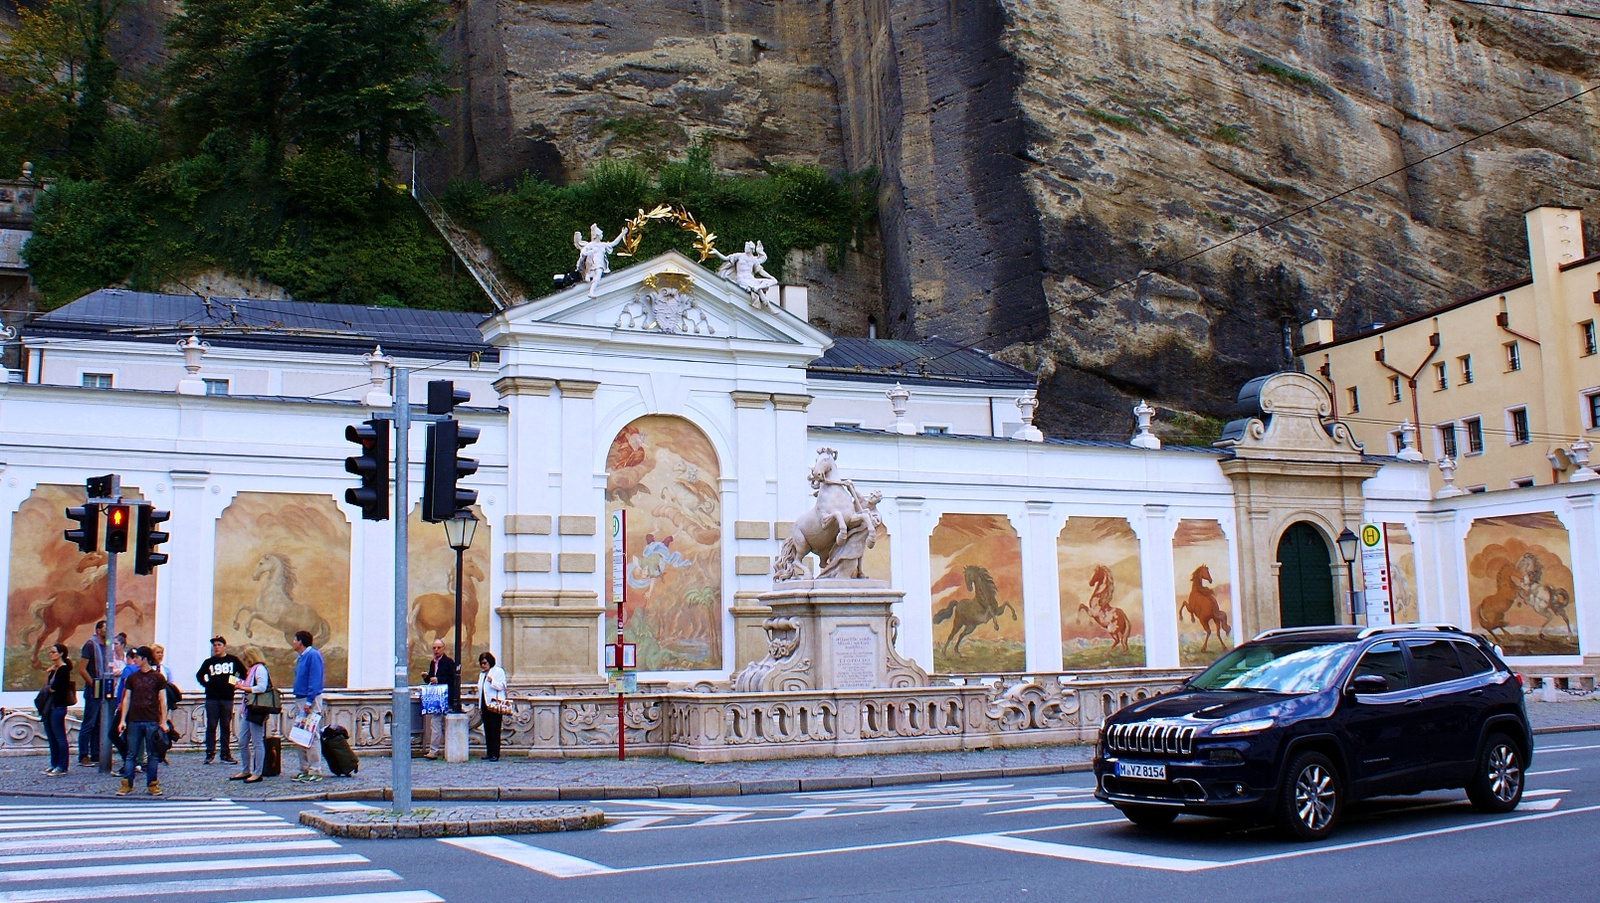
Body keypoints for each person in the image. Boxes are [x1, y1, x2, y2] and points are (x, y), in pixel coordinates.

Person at [116, 647, 167, 796]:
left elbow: (162, 700)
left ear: (144, 659)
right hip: (134, 720)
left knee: (152, 754)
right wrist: (122, 720)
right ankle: (127, 784)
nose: (135, 660)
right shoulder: (132, 677)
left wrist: (163, 721)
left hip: (152, 720)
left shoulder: (158, 677)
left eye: (137, 657)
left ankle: (152, 784)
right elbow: (127, 699)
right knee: (131, 754)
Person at [196, 636, 245, 765]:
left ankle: (225, 753)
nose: (216, 647)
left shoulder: (233, 660)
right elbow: (199, 675)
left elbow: (244, 673)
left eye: (219, 645)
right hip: (212, 698)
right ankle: (210, 753)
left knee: (225, 725)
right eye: (214, 645)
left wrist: (234, 683)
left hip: (227, 697)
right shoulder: (209, 662)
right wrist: (207, 685)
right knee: (211, 725)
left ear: (224, 646)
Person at [231, 653, 271, 784]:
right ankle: (246, 769)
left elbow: (261, 687)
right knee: (243, 741)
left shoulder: (260, 669)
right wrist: (240, 683)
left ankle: (257, 772)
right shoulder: (251, 671)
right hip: (247, 709)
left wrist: (242, 687)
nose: (245, 661)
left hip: (256, 709)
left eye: (246, 658)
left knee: (257, 742)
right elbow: (249, 685)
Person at [291, 630, 325, 783]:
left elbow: (315, 678)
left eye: (294, 639)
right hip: (301, 698)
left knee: (311, 734)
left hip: (309, 699)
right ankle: (304, 768)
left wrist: (309, 701)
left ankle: (315, 769)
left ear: (300, 642)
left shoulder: (313, 655)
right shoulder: (302, 657)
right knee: (300, 734)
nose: (293, 642)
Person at [76, 620, 108, 766]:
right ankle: (83, 754)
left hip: (104, 688)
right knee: (89, 722)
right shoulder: (90, 645)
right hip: (94, 688)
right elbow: (82, 668)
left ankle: (96, 753)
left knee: (99, 722)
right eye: (105, 628)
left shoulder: (107, 647)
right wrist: (94, 684)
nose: (108, 630)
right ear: (98, 630)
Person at [40, 644, 75, 775]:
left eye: (53, 652)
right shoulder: (55, 669)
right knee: (51, 736)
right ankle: (54, 763)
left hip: (57, 706)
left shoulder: (63, 669)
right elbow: (45, 686)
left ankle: (62, 765)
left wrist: (48, 688)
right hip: (49, 706)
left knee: (59, 736)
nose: (51, 654)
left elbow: (52, 688)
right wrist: (47, 673)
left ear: (61, 654)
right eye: (50, 652)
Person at [422, 639, 457, 759]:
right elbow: (432, 680)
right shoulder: (433, 663)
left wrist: (438, 680)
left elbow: (452, 680)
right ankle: (434, 750)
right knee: (435, 724)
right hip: (437, 698)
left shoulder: (448, 662)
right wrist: (427, 678)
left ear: (443, 649)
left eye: (438, 648)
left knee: (437, 724)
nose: (436, 650)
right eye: (434, 648)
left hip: (446, 698)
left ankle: (436, 750)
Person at [476, 652, 508, 762]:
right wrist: (480, 706)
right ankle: (489, 752)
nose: (483, 666)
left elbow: (502, 686)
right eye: (481, 664)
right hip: (485, 704)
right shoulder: (481, 674)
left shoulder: (498, 671)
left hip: (495, 703)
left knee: (495, 729)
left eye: (485, 663)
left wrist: (492, 681)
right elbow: (481, 691)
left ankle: (495, 753)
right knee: (487, 729)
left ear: (490, 662)